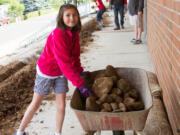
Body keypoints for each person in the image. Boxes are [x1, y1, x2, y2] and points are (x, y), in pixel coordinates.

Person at [14, 4, 92, 135]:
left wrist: (79, 71)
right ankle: (20, 131)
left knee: (61, 105)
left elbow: (74, 56)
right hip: (47, 72)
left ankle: (58, 133)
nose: (72, 18)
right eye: (68, 15)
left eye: (74, 15)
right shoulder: (59, 34)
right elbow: (65, 64)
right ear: (61, 18)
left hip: (61, 74)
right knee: (35, 103)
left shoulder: (74, 33)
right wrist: (80, 84)